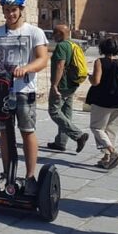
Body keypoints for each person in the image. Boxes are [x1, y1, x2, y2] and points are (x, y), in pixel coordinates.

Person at [0, 0, 49, 196]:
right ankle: (8, 173)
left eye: (13, 10)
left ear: (21, 10)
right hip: (1, 90)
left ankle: (30, 176)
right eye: (6, 11)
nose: (10, 14)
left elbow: (42, 59)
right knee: (5, 132)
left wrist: (26, 68)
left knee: (27, 131)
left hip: (24, 90)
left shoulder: (34, 32)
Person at [87, 38, 118, 169]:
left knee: (97, 128)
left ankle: (113, 153)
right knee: (111, 130)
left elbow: (96, 81)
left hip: (104, 101)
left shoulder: (100, 62)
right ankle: (106, 158)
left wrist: (89, 77)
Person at [46, 24, 89, 153]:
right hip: (72, 84)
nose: (53, 36)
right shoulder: (73, 45)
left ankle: (78, 135)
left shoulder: (62, 46)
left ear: (60, 33)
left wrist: (54, 85)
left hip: (62, 85)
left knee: (54, 111)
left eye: (54, 33)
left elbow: (60, 65)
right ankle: (61, 142)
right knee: (66, 113)